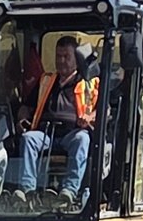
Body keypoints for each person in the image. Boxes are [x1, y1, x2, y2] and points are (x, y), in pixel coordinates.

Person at [19, 37, 98, 200]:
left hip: (72, 133)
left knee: (82, 139)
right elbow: (26, 106)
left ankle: (69, 190)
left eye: (66, 57)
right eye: (58, 56)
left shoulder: (88, 83)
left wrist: (89, 118)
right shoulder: (46, 81)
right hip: (46, 133)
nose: (61, 61)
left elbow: (104, 110)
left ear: (77, 59)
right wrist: (21, 119)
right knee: (28, 139)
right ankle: (27, 189)